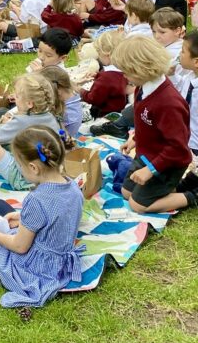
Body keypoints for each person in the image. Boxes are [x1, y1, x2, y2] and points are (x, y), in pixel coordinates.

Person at [0, 126, 84, 308]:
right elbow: (57, 215)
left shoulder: (37, 200)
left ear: (33, 168)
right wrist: (21, 217)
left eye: (19, 165)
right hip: (56, 255)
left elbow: (20, 247)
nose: (19, 169)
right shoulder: (72, 185)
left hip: (35, 267)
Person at [112, 37, 196, 212]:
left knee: (137, 205)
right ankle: (168, 190)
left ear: (142, 69)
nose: (124, 76)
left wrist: (150, 170)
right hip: (146, 155)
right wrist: (135, 138)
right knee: (127, 193)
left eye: (127, 72)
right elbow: (146, 122)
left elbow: (177, 148)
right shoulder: (142, 87)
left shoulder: (169, 103)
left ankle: (192, 195)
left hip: (168, 163)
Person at [81, 29, 127, 118]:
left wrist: (81, 91)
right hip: (119, 109)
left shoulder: (107, 77)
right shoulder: (123, 69)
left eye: (99, 52)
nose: (98, 56)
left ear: (107, 54)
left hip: (104, 114)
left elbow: (93, 99)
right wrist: (97, 75)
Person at [175, 31, 198, 194]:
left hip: (195, 146)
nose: (179, 54)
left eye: (183, 51)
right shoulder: (189, 76)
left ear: (196, 62)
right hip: (184, 139)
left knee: (180, 188)